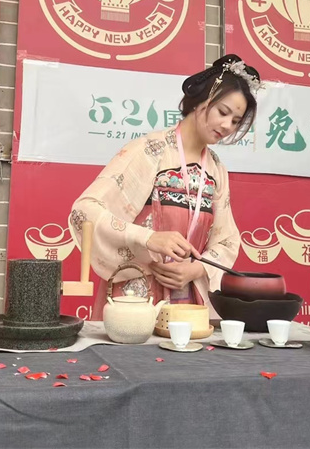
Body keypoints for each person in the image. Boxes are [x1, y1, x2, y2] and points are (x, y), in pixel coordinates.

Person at [69, 54, 262, 320]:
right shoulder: (151, 150)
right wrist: (149, 238)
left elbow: (227, 240)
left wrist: (196, 269)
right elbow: (86, 210)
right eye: (223, 112)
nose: (227, 126)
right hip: (136, 297)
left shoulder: (216, 169)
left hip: (189, 300)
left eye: (236, 121)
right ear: (201, 101)